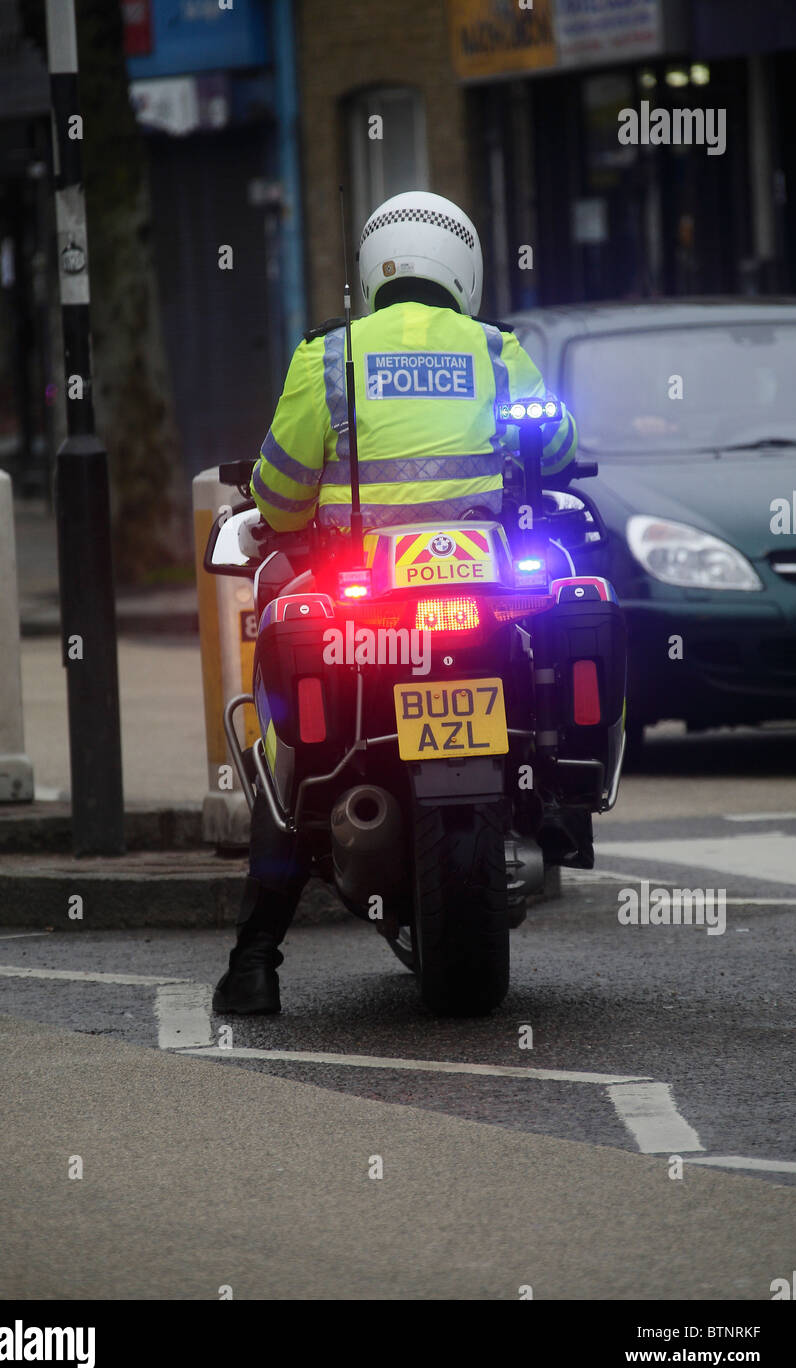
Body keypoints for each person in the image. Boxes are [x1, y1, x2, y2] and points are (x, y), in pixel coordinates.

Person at [213, 190, 578, 1015]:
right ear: (465, 268)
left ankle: (255, 964)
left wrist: (293, 517)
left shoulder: (327, 355)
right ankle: (554, 788)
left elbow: (276, 497)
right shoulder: (497, 351)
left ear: (375, 270)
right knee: (555, 630)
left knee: (292, 754)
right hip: (487, 590)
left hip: (366, 608)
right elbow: (556, 447)